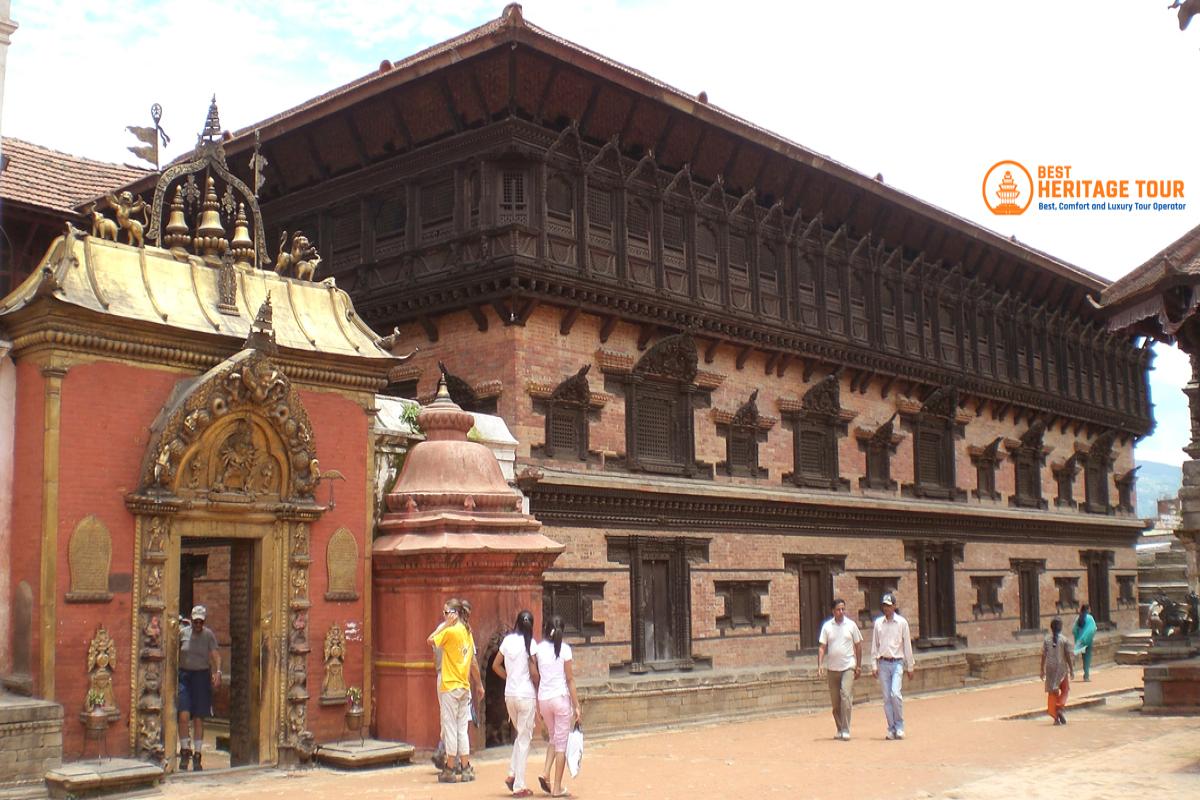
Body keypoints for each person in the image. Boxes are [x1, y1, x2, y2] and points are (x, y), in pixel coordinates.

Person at [428, 598, 484, 783]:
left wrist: (445, 624)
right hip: (464, 686)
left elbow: (430, 640)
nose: (443, 616)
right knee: (462, 729)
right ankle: (466, 768)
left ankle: (450, 768)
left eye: (446, 612)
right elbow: (473, 661)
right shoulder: (467, 632)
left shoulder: (450, 632)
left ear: (453, 614)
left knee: (450, 727)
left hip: (450, 685)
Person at [494, 610, 540, 797]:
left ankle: (512, 774)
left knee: (520, 736)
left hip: (510, 695)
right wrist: (538, 686)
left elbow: (495, 665)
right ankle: (519, 785)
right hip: (526, 695)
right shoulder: (531, 644)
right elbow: (534, 673)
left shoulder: (507, 641)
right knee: (524, 740)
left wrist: (509, 677)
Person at [534, 615, 581, 798]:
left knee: (554, 737)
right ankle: (557, 788)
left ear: (546, 630)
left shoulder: (538, 649)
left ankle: (545, 772)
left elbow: (536, 674)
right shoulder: (565, 650)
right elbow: (570, 679)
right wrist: (577, 705)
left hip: (544, 700)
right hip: (560, 700)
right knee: (561, 744)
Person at [177, 604, 221, 771]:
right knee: (183, 715)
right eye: (195, 622)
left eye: (200, 623)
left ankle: (197, 754)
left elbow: (216, 655)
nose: (197, 625)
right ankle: (185, 750)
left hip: (201, 676)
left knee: (198, 718)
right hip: (185, 676)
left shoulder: (208, 635)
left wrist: (218, 672)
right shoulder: (183, 634)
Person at [817, 597, 863, 741]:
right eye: (838, 609)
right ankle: (839, 728)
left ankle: (846, 729)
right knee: (835, 701)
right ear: (833, 611)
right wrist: (820, 665)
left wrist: (859, 665)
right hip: (832, 668)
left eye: (843, 609)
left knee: (845, 695)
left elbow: (858, 645)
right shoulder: (827, 627)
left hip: (848, 665)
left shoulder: (851, 625)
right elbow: (822, 647)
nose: (841, 612)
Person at [870, 592, 914, 740]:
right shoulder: (878, 623)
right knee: (887, 698)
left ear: (894, 606)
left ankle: (900, 725)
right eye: (885, 606)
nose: (887, 608)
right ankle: (891, 727)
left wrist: (910, 665)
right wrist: (873, 664)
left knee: (895, 694)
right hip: (883, 663)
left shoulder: (902, 623)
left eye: (889, 606)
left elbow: (907, 644)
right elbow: (875, 645)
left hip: (897, 663)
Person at [1041, 617, 1075, 725]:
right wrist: (1071, 669)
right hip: (1061, 668)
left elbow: (1043, 655)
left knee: (1052, 692)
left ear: (1051, 628)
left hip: (1050, 668)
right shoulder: (1064, 640)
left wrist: (1041, 669)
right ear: (1061, 628)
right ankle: (1059, 707)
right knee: (1065, 690)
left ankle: (1055, 718)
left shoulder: (1046, 640)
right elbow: (1067, 655)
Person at [1072, 603, 1097, 682]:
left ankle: (1074, 670)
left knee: (1083, 658)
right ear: (1088, 609)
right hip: (1088, 641)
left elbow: (1074, 630)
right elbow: (1093, 628)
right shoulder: (1090, 618)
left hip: (1081, 641)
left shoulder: (1078, 618)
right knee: (1087, 658)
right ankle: (1086, 676)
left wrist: (1078, 638)